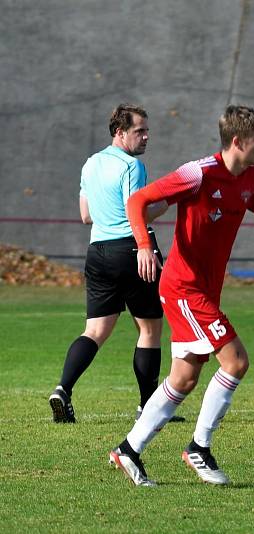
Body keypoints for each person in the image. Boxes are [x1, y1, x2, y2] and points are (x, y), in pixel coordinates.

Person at [108, 105, 254, 487]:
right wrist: (144, 245)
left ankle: (128, 450)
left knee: (183, 378)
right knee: (236, 361)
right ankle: (199, 447)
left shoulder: (252, 178)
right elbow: (137, 201)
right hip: (184, 288)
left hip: (204, 291)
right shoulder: (197, 173)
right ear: (237, 142)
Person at [49, 104, 174, 424]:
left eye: (147, 130)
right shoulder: (132, 166)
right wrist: (170, 201)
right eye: (139, 131)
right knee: (149, 329)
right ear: (120, 133)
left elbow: (86, 215)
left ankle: (63, 389)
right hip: (133, 252)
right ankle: (149, 407)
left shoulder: (90, 164)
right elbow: (138, 212)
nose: (146, 137)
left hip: (98, 252)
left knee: (95, 330)